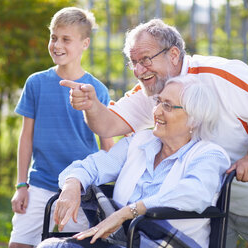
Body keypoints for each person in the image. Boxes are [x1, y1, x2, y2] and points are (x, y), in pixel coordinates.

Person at [61, 19, 248, 247]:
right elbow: (108, 126)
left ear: (174, 54)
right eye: (134, 63)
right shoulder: (153, 90)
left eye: (146, 60)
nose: (139, 70)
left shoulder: (218, 74)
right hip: (207, 208)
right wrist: (90, 105)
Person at [38, 76, 231, 248]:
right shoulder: (141, 141)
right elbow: (94, 165)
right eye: (158, 102)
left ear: (194, 119)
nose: (156, 111)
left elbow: (192, 194)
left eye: (168, 106)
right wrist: (72, 184)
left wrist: (128, 212)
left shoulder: (209, 155)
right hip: (120, 239)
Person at [9, 7, 113, 248]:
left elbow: (107, 146)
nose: (57, 45)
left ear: (85, 43)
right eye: (54, 37)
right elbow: (26, 137)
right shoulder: (35, 83)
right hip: (40, 184)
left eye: (66, 39)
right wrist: (21, 185)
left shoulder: (97, 90)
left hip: (81, 190)